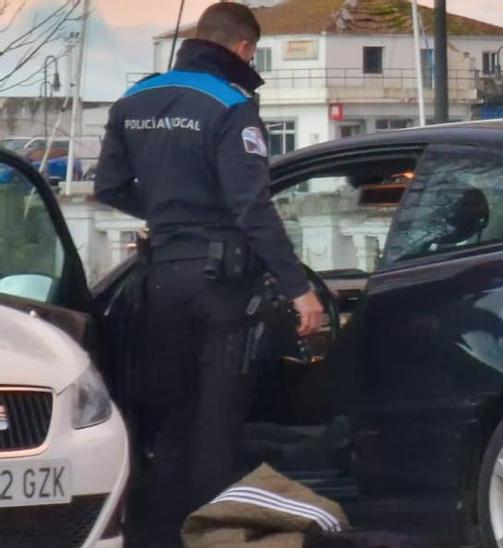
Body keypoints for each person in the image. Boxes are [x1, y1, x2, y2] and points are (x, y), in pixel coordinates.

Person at [94, 3, 325, 544]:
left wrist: (167, 215)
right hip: (220, 285)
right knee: (216, 423)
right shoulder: (231, 105)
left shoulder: (134, 99)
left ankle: (156, 534)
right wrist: (299, 290)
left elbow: (108, 187)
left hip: (156, 280)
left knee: (170, 420)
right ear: (243, 49)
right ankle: (213, 535)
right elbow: (252, 208)